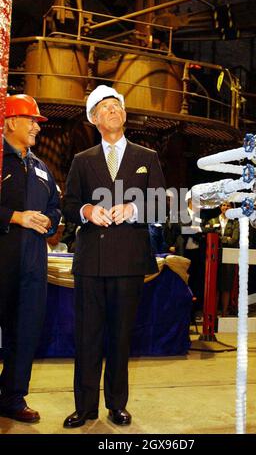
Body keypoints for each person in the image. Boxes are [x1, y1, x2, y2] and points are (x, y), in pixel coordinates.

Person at [62, 84, 166, 428]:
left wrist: (134, 208)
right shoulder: (82, 160)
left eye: (118, 107)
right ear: (94, 119)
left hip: (129, 260)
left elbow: (164, 203)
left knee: (121, 335)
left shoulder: (146, 157)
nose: (114, 111)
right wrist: (88, 210)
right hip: (90, 261)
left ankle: (116, 404)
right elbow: (70, 204)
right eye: (106, 108)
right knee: (87, 335)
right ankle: (85, 406)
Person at [0, 94, 61, 423]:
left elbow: (55, 205)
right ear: (10, 122)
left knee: (25, 331)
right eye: (31, 120)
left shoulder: (40, 168)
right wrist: (15, 217)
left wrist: (50, 219)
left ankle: (12, 397)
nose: (37, 126)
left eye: (38, 121)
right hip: (3, 261)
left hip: (33, 265)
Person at [204, 201, 239, 316]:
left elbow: (234, 239)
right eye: (224, 205)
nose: (226, 207)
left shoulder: (235, 223)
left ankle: (224, 312)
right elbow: (207, 235)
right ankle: (212, 313)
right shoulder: (212, 221)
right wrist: (226, 238)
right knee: (214, 285)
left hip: (228, 257)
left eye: (228, 205)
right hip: (214, 257)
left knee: (226, 286)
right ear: (220, 207)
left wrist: (219, 237)